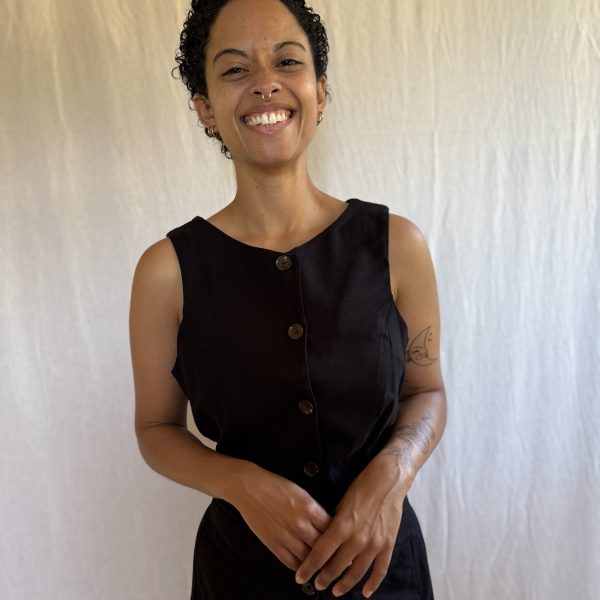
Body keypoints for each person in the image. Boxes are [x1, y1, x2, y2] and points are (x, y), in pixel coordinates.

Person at [128, 0, 447, 598]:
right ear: (205, 108)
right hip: (241, 576)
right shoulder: (166, 271)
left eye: (287, 61)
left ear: (319, 92)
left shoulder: (395, 245)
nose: (264, 83)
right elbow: (155, 428)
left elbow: (426, 393)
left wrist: (391, 475)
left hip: (383, 573)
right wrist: (241, 484)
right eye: (234, 69)